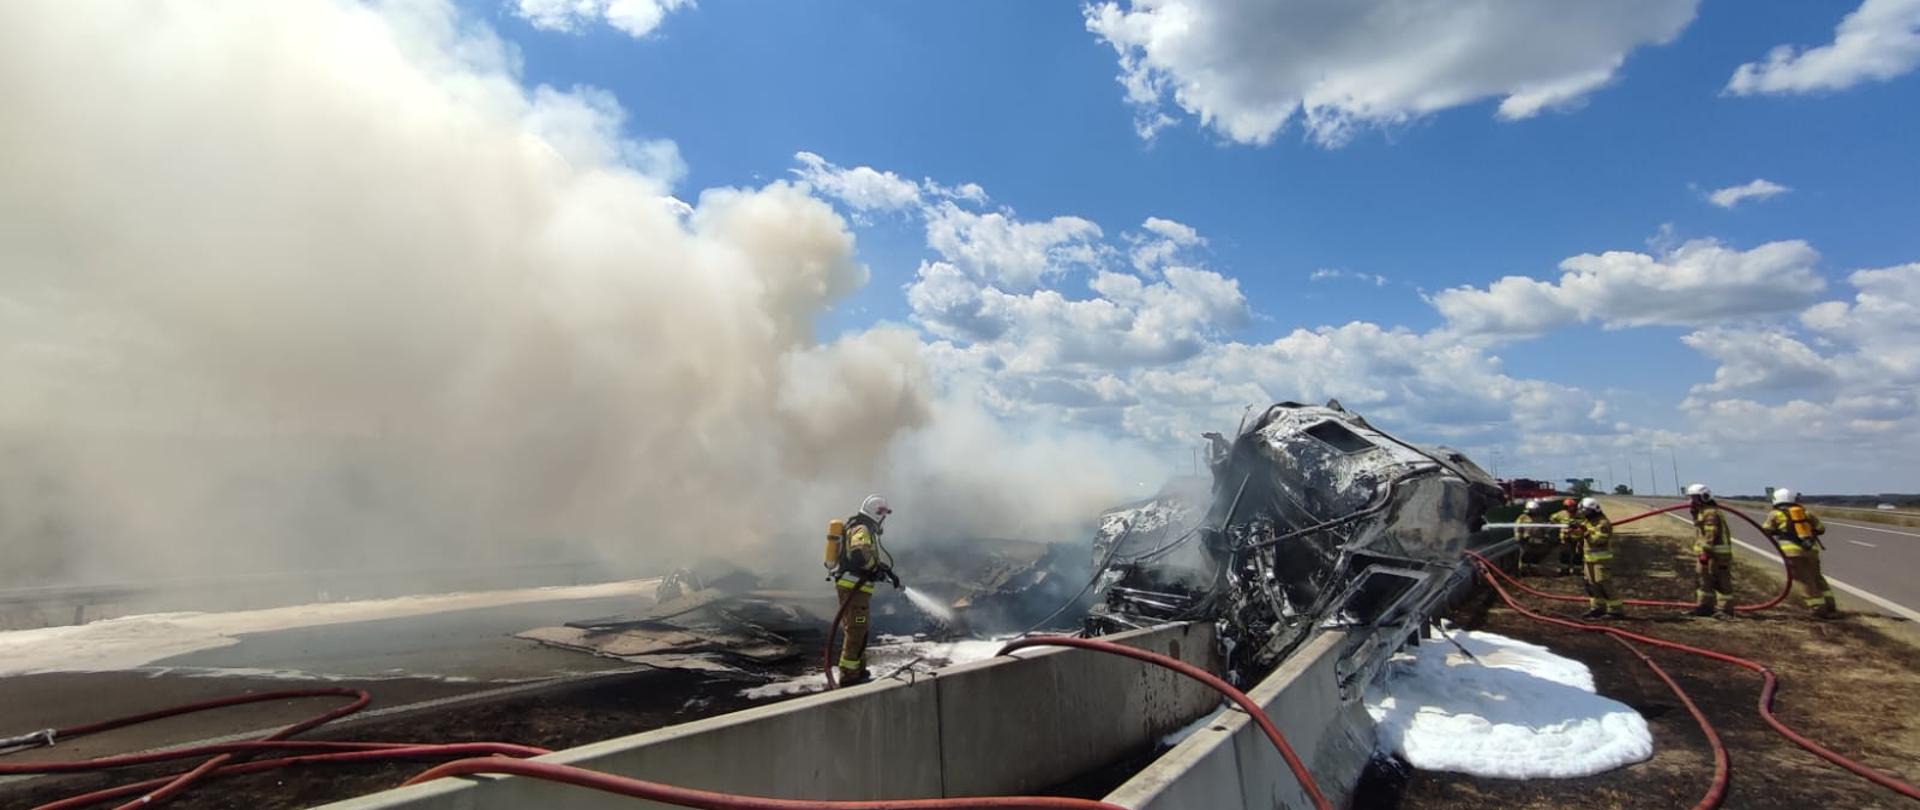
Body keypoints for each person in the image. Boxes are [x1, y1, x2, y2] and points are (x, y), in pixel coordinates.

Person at [830, 494, 901, 685]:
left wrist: (883, 569)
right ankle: (849, 676)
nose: (884, 519)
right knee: (856, 629)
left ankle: (858, 670)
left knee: (858, 630)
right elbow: (859, 556)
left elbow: (865, 556)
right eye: (883, 514)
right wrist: (874, 569)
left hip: (856, 588)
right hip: (853, 587)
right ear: (877, 514)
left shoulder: (863, 527)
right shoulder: (861, 528)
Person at [1762, 488, 1836, 618]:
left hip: (1792, 553)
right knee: (1817, 577)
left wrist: (1780, 531)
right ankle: (1830, 605)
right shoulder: (1806, 513)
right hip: (1811, 550)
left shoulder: (1775, 514)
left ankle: (1817, 608)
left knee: (1804, 581)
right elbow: (1820, 529)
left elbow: (1766, 530)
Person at [1684, 483, 1735, 617]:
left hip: (1717, 554)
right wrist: (1694, 512)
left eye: (1694, 498)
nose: (1691, 501)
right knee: (1703, 580)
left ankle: (1725, 610)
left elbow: (1710, 533)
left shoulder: (1710, 512)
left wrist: (1705, 552)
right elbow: (1699, 526)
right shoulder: (1703, 511)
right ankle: (1705, 607)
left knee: (1721, 581)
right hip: (1709, 553)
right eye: (1691, 498)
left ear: (1704, 497)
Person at [1577, 497, 1624, 619]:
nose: (1584, 514)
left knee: (1603, 583)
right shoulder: (1588, 521)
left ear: (1593, 510)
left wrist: (1585, 533)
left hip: (1601, 560)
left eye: (1585, 511)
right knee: (1592, 584)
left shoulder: (1603, 523)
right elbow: (1581, 533)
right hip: (1589, 560)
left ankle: (1615, 610)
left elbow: (1598, 541)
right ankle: (1597, 608)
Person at [1513, 499, 1555, 575]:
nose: (1534, 512)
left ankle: (1534, 571)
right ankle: (1524, 572)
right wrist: (1519, 537)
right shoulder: (1522, 517)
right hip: (1526, 540)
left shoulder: (1540, 518)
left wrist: (1546, 536)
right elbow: (1517, 528)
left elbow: (1545, 528)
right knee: (1525, 556)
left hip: (1538, 540)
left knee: (1535, 557)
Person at [1549, 497, 1580, 576]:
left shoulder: (1579, 514)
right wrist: (1558, 525)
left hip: (1577, 537)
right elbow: (1552, 518)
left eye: (1573, 506)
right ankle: (1564, 569)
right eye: (1570, 506)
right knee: (1565, 554)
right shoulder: (1561, 514)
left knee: (1577, 554)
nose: (1572, 508)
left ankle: (1575, 569)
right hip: (1565, 538)